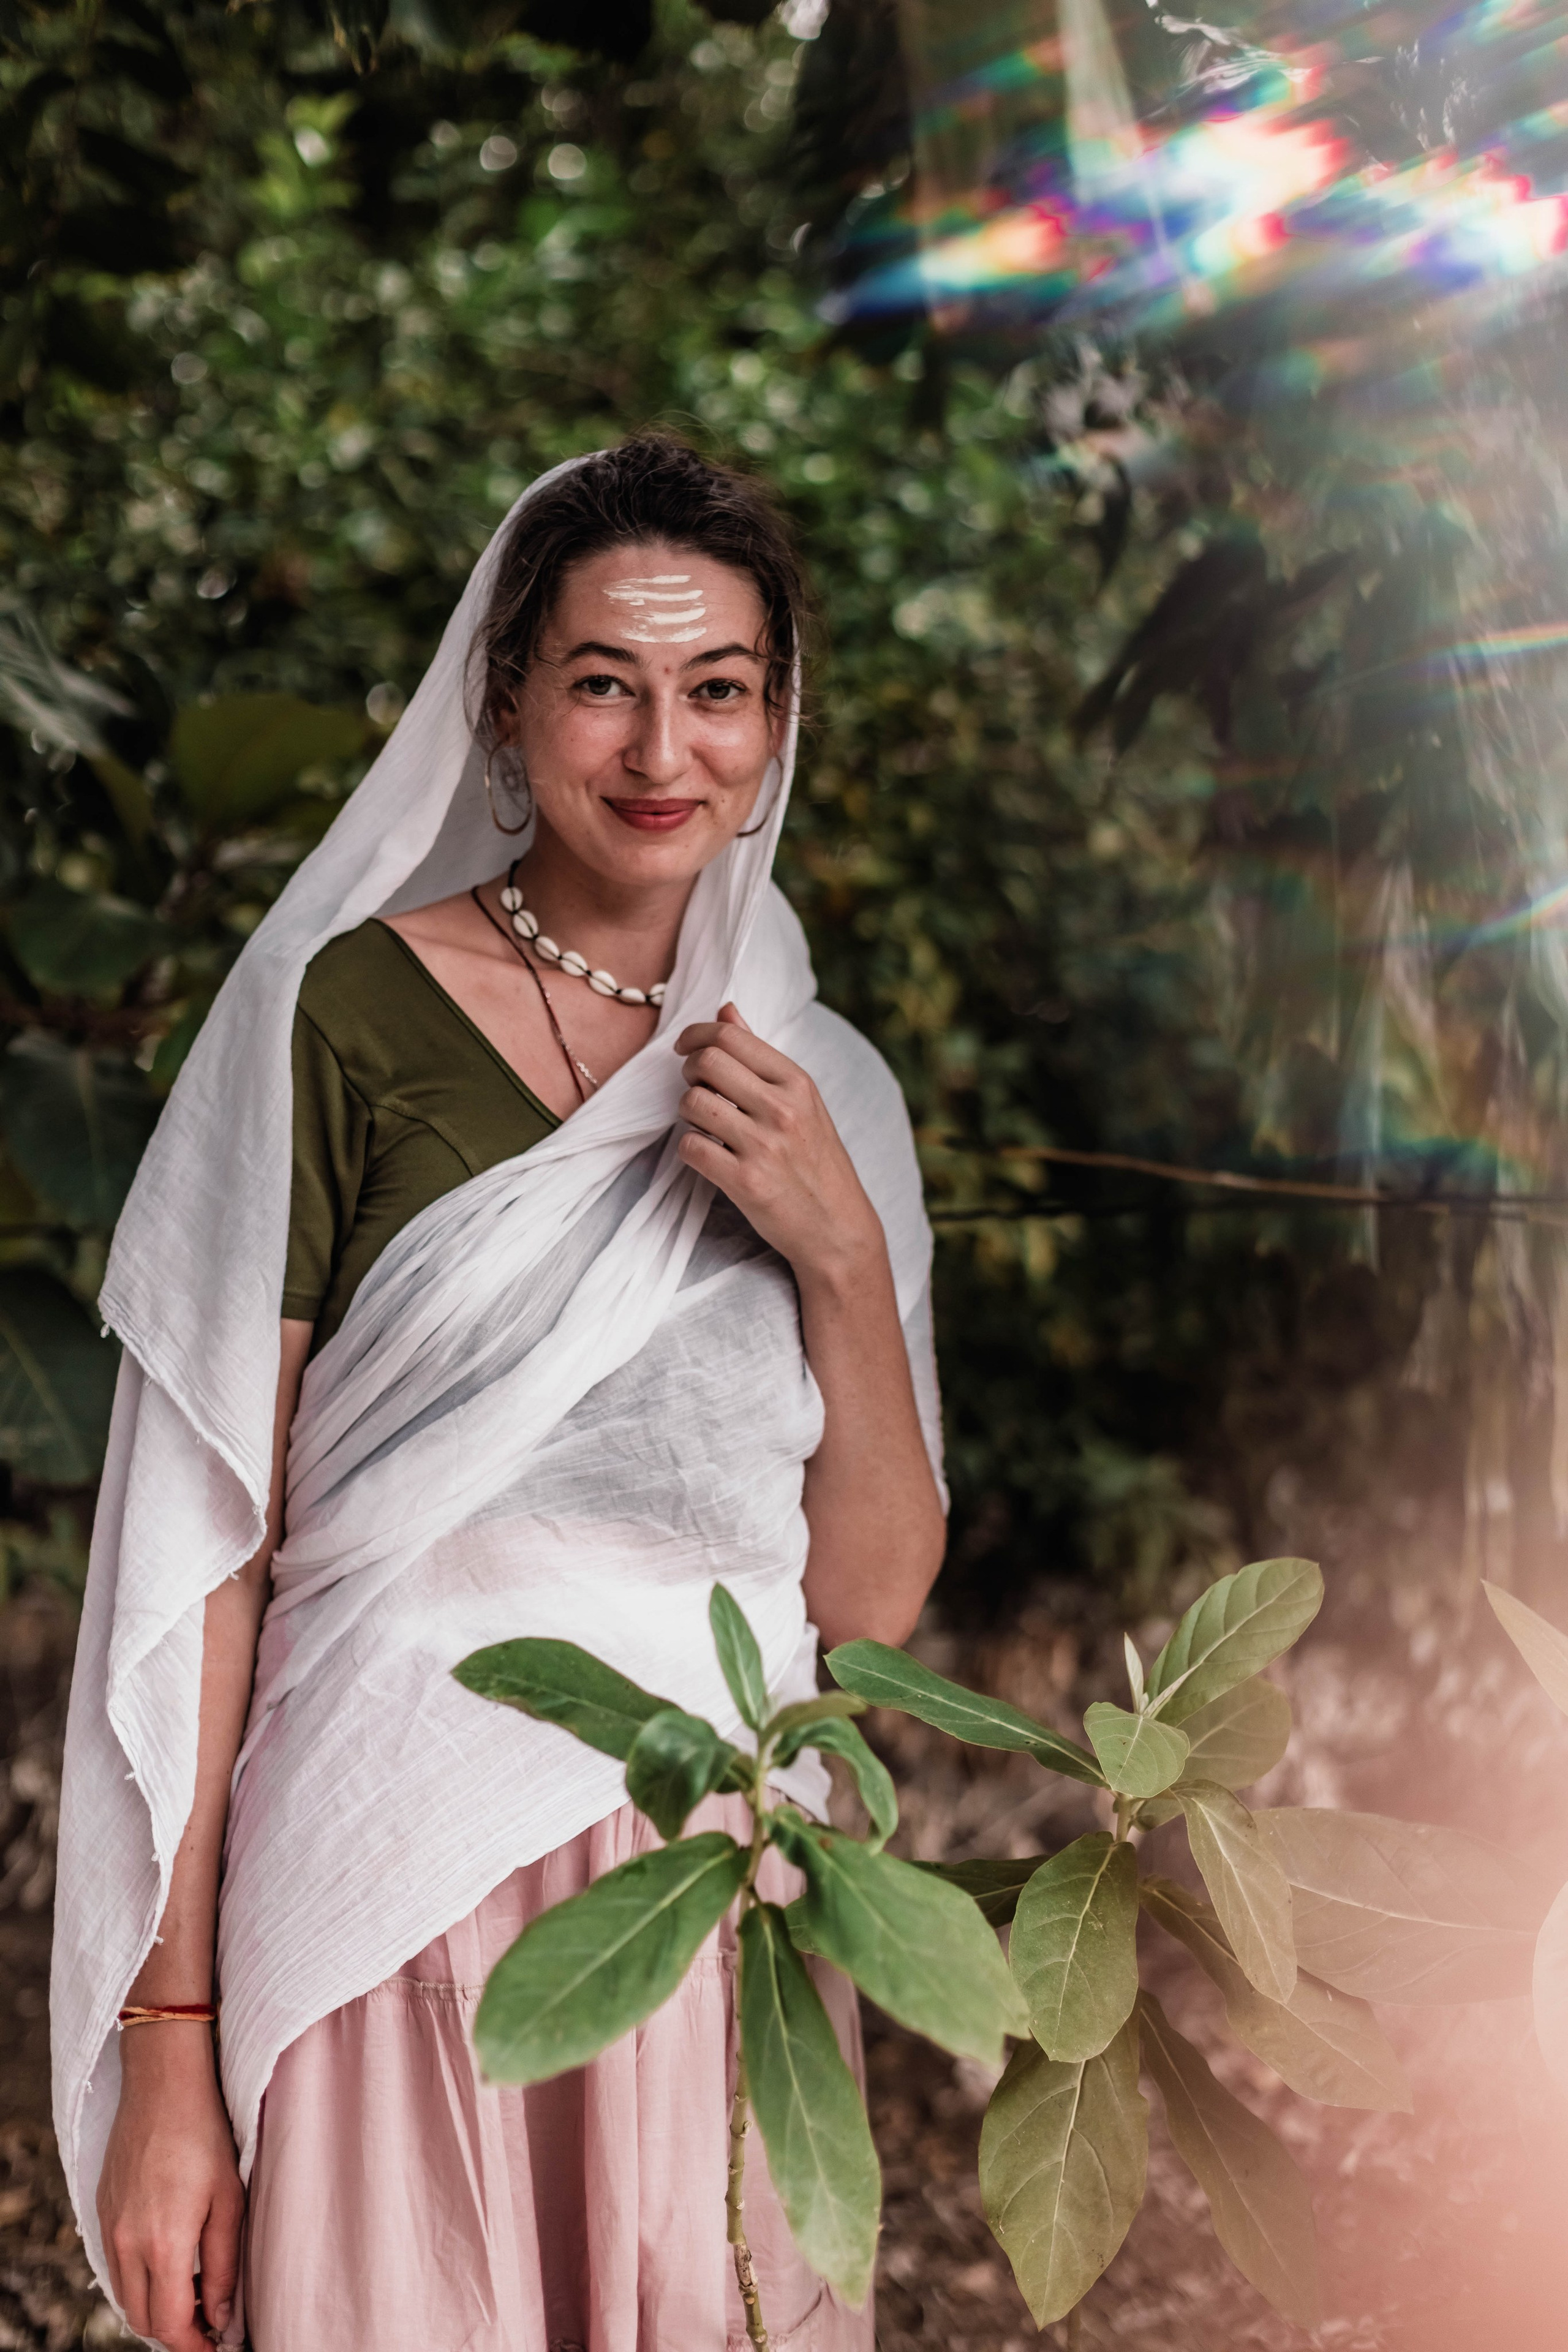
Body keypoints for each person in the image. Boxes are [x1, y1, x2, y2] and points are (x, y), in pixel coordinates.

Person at [53, 434, 946, 2351]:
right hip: (388, 1875)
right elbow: (212, 1558)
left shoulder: (819, 1085)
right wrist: (171, 2047)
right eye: (604, 683)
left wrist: (842, 1260)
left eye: (718, 692)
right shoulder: (341, 1018)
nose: (659, 750)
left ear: (778, 723)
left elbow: (865, 1608)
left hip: (718, 1880)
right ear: (507, 698)